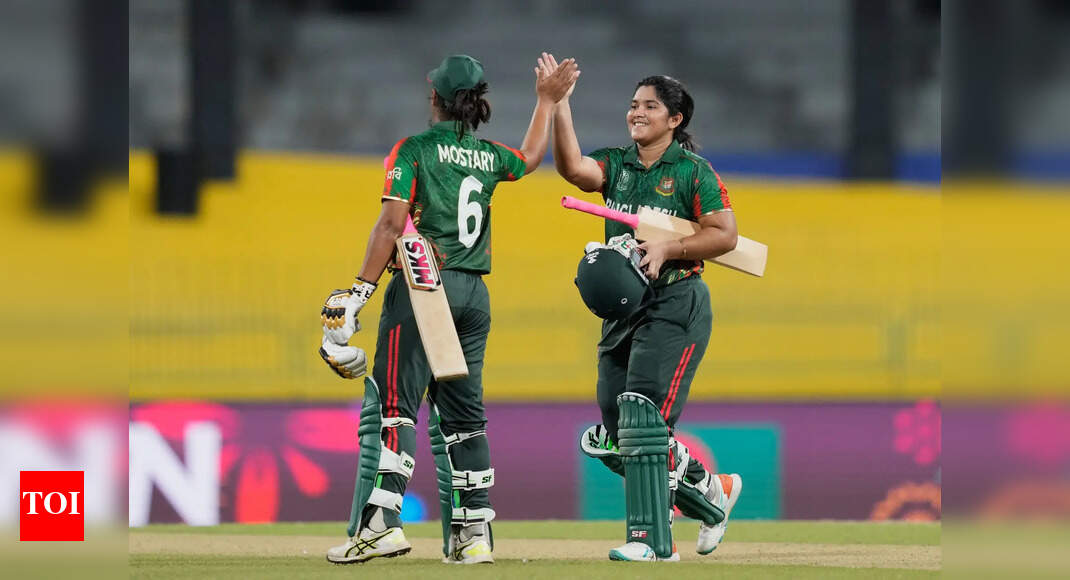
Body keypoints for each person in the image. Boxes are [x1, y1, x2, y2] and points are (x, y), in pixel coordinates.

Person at [320, 53, 578, 565]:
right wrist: (546, 101)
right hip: (473, 296)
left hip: (422, 286)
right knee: (464, 418)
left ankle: (381, 524)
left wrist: (358, 293)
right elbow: (530, 158)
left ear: (434, 96)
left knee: (396, 406)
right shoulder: (487, 155)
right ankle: (473, 533)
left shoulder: (413, 150)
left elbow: (391, 225)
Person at [551, 63, 744, 562]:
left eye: (650, 106)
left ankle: (653, 542)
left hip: (675, 301)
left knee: (643, 418)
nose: (636, 112)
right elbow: (573, 169)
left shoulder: (692, 171)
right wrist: (558, 102)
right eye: (634, 104)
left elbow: (725, 235)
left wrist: (668, 247)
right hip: (623, 310)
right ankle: (711, 492)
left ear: (674, 119)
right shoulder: (617, 164)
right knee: (617, 433)